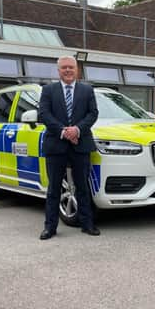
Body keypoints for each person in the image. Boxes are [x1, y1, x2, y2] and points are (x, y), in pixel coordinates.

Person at [38, 55, 100, 239]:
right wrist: (65, 132)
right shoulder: (48, 90)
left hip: (81, 145)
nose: (67, 70)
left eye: (71, 67)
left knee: (83, 187)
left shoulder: (87, 90)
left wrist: (77, 130)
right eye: (64, 67)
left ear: (76, 69)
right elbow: (44, 114)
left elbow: (93, 113)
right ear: (58, 71)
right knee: (54, 188)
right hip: (56, 145)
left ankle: (87, 224)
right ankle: (50, 227)